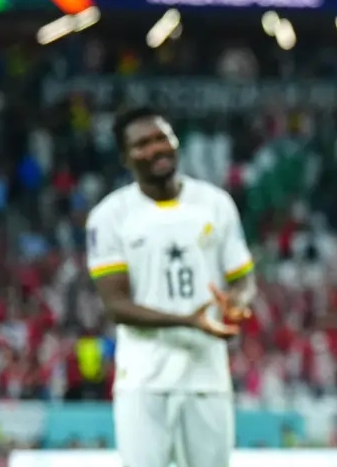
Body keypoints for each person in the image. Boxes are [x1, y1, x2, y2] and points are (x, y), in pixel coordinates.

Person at [87, 107, 256, 467]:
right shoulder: (110, 216)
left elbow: (242, 277)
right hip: (144, 377)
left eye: (162, 138)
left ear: (176, 142)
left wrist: (237, 302)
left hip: (207, 375)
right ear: (126, 157)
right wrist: (188, 321)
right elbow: (116, 305)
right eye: (142, 144)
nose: (156, 149)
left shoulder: (216, 204)